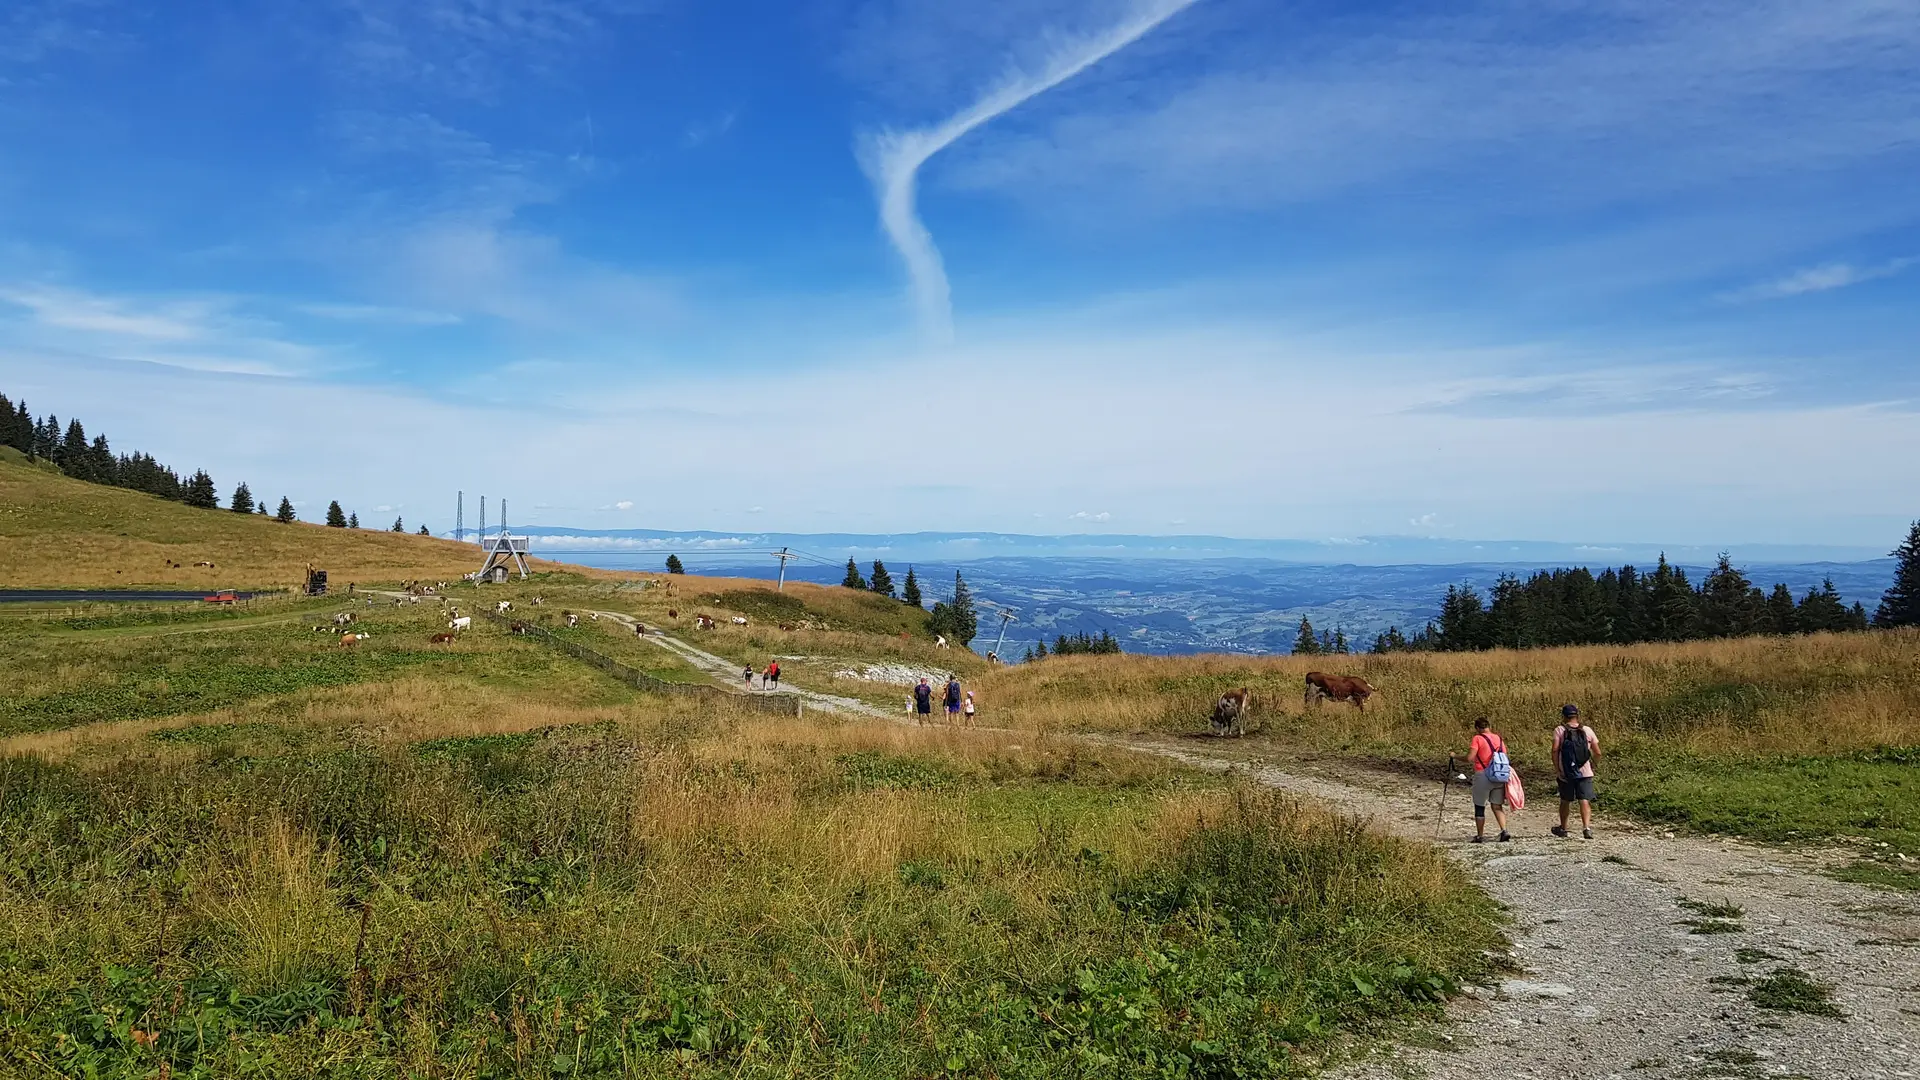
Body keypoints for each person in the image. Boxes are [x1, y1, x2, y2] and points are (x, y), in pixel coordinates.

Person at [1552, 704, 1600, 839]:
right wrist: (1593, 765)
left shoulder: (1560, 730)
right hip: (1585, 772)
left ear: (1564, 716)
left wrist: (1558, 769)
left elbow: (1555, 750)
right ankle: (1586, 828)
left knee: (1565, 800)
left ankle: (1563, 828)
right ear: (1577, 715)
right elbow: (1598, 752)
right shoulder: (1587, 730)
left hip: (1566, 771)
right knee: (1584, 799)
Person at [1467, 717, 1512, 843]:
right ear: (1488, 726)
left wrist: (1455, 756)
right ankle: (1504, 831)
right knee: (1497, 806)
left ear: (1477, 728)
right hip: (1499, 774)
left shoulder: (1478, 738)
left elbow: (1470, 757)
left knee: (1480, 806)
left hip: (1483, 774)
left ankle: (1480, 836)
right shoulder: (1499, 738)